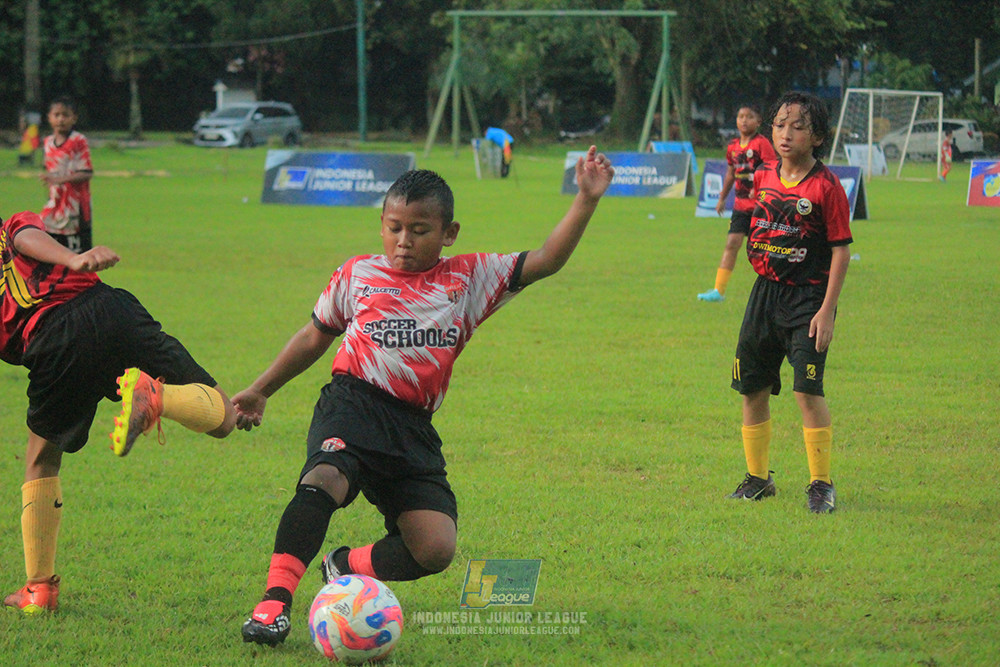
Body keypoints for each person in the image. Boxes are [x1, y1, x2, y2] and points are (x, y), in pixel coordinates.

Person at [236, 146, 614, 647]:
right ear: (382, 225)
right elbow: (313, 337)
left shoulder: (469, 279)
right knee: (324, 478)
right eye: (394, 227)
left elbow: (546, 260)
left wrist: (585, 200)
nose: (404, 241)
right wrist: (262, 389)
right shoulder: (357, 274)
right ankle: (273, 606)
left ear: (448, 233)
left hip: (413, 427)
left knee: (434, 549)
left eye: (419, 230)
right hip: (352, 402)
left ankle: (343, 564)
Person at [1, 210, 238, 614]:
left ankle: (39, 589)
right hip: (111, 310)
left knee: (41, 462)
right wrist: (72, 259)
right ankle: (159, 399)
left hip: (54, 340)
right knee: (226, 417)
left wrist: (71, 258)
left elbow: (27, 237)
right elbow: (24, 234)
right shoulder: (10, 228)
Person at [725, 92, 852, 514]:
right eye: (780, 124)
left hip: (808, 299)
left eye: (798, 126)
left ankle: (821, 484)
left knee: (806, 391)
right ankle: (758, 479)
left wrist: (827, 310)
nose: (785, 133)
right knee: (752, 386)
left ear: (817, 136)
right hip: (764, 294)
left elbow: (840, 250)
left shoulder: (825, 186)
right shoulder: (763, 174)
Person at [698, 104, 776, 302]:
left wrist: (758, 189)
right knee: (732, 243)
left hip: (761, 207)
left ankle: (776, 289)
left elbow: (772, 169)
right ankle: (718, 291)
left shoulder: (762, 144)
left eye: (749, 116)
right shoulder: (733, 146)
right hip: (741, 207)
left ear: (758, 122)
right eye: (741, 116)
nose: (744, 120)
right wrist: (722, 198)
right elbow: (731, 174)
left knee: (766, 249)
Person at [40, 97, 94, 253]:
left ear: (74, 118)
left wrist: (58, 180)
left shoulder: (78, 140)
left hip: (76, 208)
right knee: (51, 253)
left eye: (65, 115)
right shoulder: (48, 142)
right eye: (56, 115)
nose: (60, 119)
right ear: (49, 117)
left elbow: (86, 172)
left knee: (79, 256)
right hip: (54, 206)